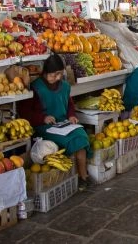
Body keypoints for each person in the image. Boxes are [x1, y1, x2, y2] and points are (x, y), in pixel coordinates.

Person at [18, 54, 92, 190]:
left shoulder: (64, 86)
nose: (57, 77)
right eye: (54, 74)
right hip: (44, 127)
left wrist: (71, 116)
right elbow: (24, 112)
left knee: (80, 134)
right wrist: (42, 118)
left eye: (59, 74)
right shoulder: (35, 87)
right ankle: (70, 177)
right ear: (46, 72)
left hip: (63, 124)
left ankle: (83, 176)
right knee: (69, 140)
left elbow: (69, 104)